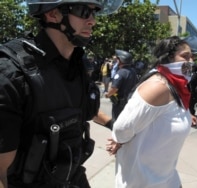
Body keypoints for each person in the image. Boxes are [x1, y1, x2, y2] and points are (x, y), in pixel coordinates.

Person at [0, 0, 122, 187]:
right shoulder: (11, 73)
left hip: (72, 178)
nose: (92, 21)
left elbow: (76, 106)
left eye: (94, 12)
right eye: (83, 12)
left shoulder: (77, 64)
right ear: (52, 14)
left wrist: (117, 128)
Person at [106, 36, 194, 188]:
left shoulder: (176, 86)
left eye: (192, 56)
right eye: (185, 56)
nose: (191, 61)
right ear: (168, 57)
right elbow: (122, 128)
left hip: (167, 179)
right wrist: (119, 140)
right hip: (142, 182)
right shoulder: (158, 86)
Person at [105, 49, 138, 120]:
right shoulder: (133, 71)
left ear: (121, 60)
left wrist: (108, 95)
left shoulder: (121, 72)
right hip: (130, 101)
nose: (116, 61)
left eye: (117, 59)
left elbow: (114, 88)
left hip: (120, 104)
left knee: (116, 121)